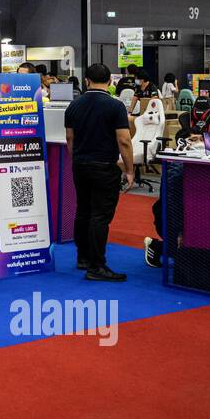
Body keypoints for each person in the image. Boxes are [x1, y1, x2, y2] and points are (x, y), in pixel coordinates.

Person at [64, 64, 134, 282]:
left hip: (80, 164)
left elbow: (70, 139)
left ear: (86, 81)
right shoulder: (115, 106)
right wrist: (130, 170)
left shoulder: (73, 106)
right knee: (100, 215)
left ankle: (83, 257)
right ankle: (96, 265)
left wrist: (76, 159)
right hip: (104, 166)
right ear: (110, 83)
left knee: (83, 210)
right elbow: (124, 140)